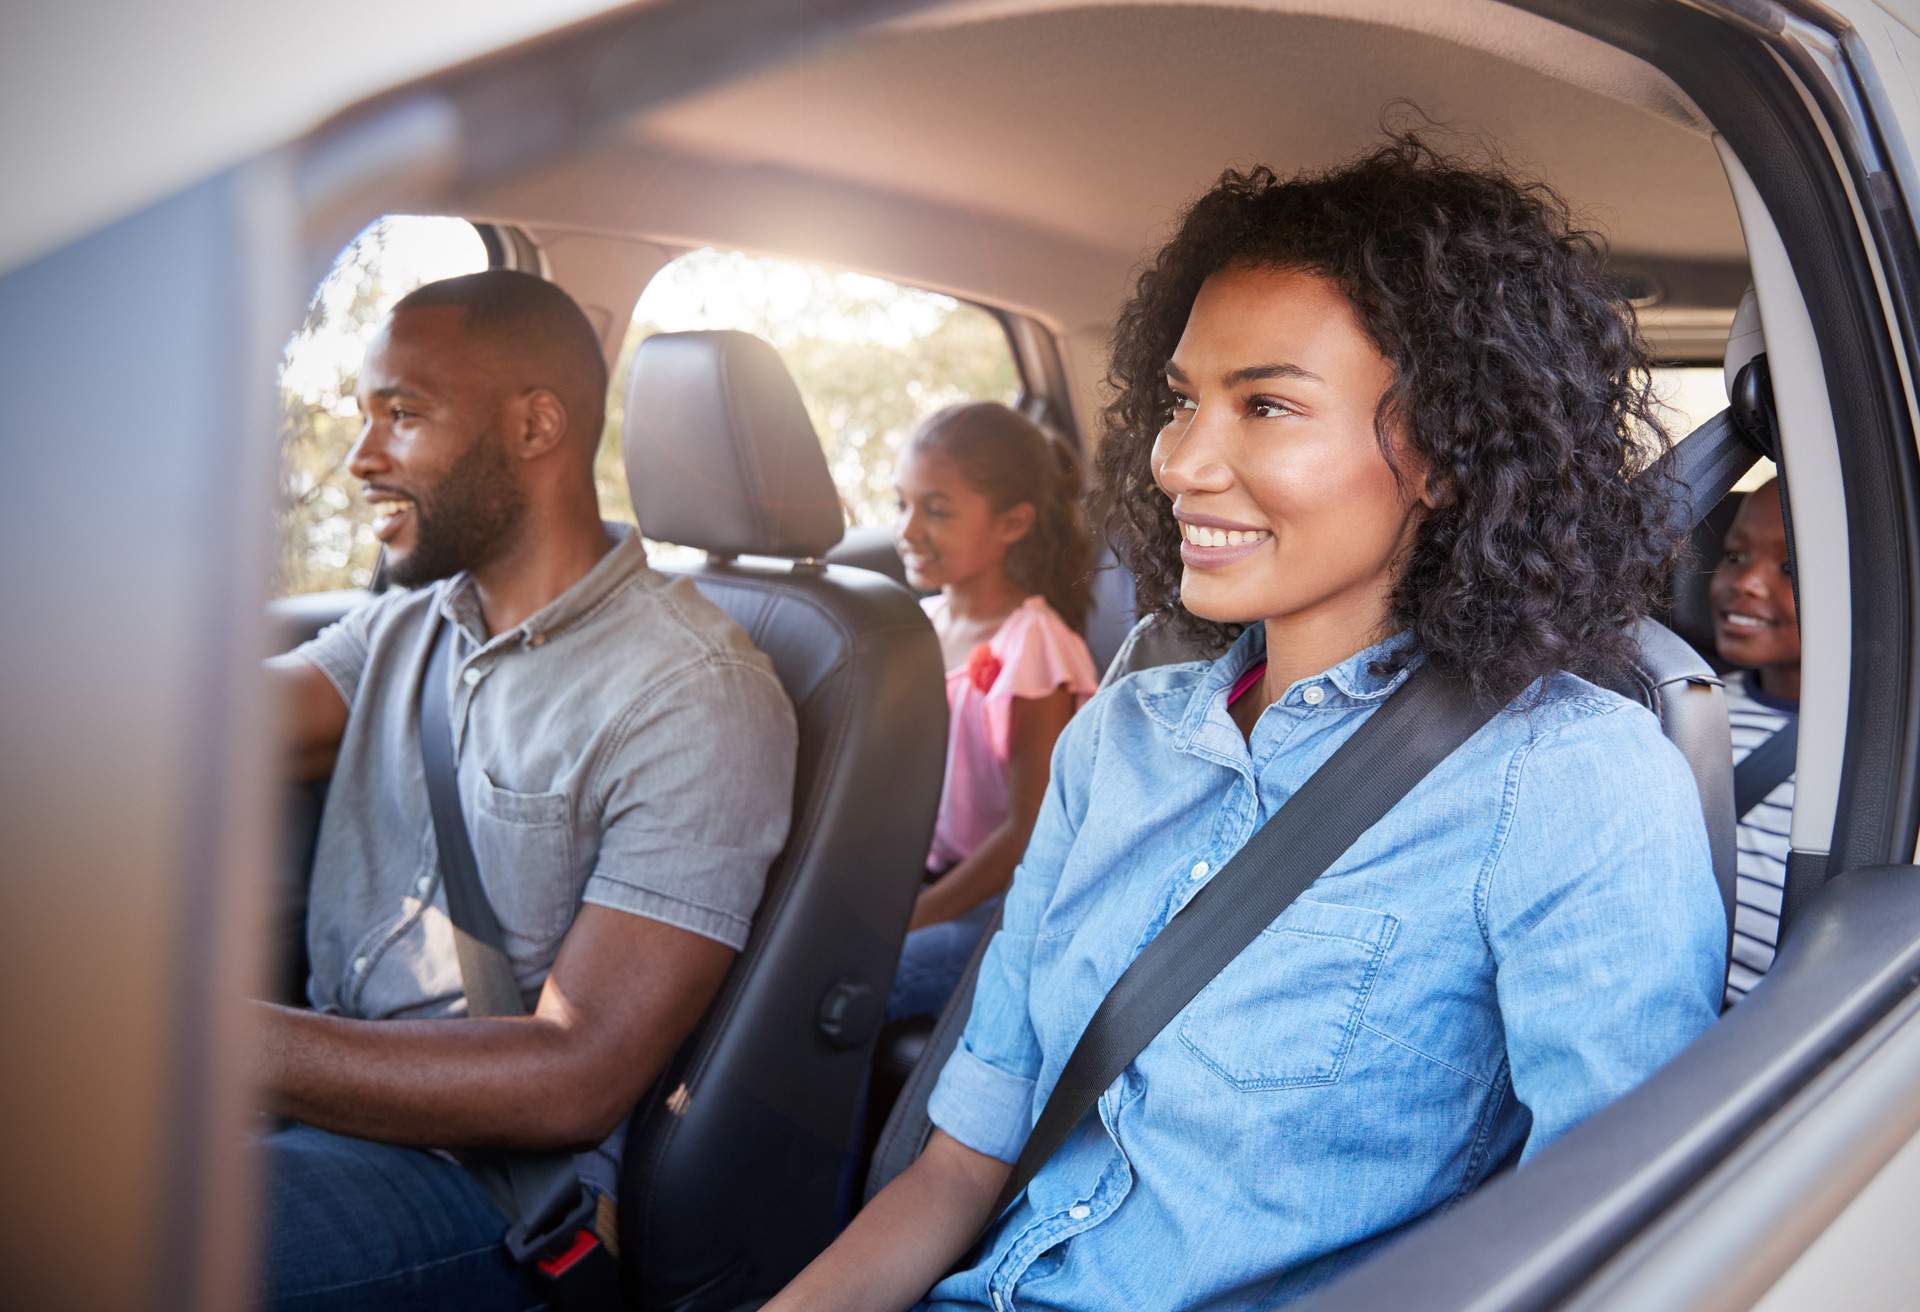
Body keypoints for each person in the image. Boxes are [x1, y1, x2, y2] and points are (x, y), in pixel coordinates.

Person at [768, 133, 1725, 1312]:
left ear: (1443, 453)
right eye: (1182, 401)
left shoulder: (1566, 778)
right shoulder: (1120, 736)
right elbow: (959, 1165)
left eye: (1266, 404)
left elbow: (1623, 1246)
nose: (1180, 462)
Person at [257, 270, 797, 1309]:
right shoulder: (406, 625)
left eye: (402, 415)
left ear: (536, 425)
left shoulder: (694, 692)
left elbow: (573, 1072)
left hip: (496, 1190)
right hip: (331, 1105)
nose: (364, 458)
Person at [887, 403, 1100, 1023]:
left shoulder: (1033, 645)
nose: (907, 528)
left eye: (937, 510)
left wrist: (917, 917)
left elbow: (1028, 830)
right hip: (926, 878)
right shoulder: (917, 626)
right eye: (902, 503)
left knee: (859, 972)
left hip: (1001, 906)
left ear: (1012, 523)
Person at [1710, 480, 1801, 1004]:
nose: (1745, 582)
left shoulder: (1884, 753)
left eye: (1789, 568)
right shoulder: (1690, 706)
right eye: (1734, 555)